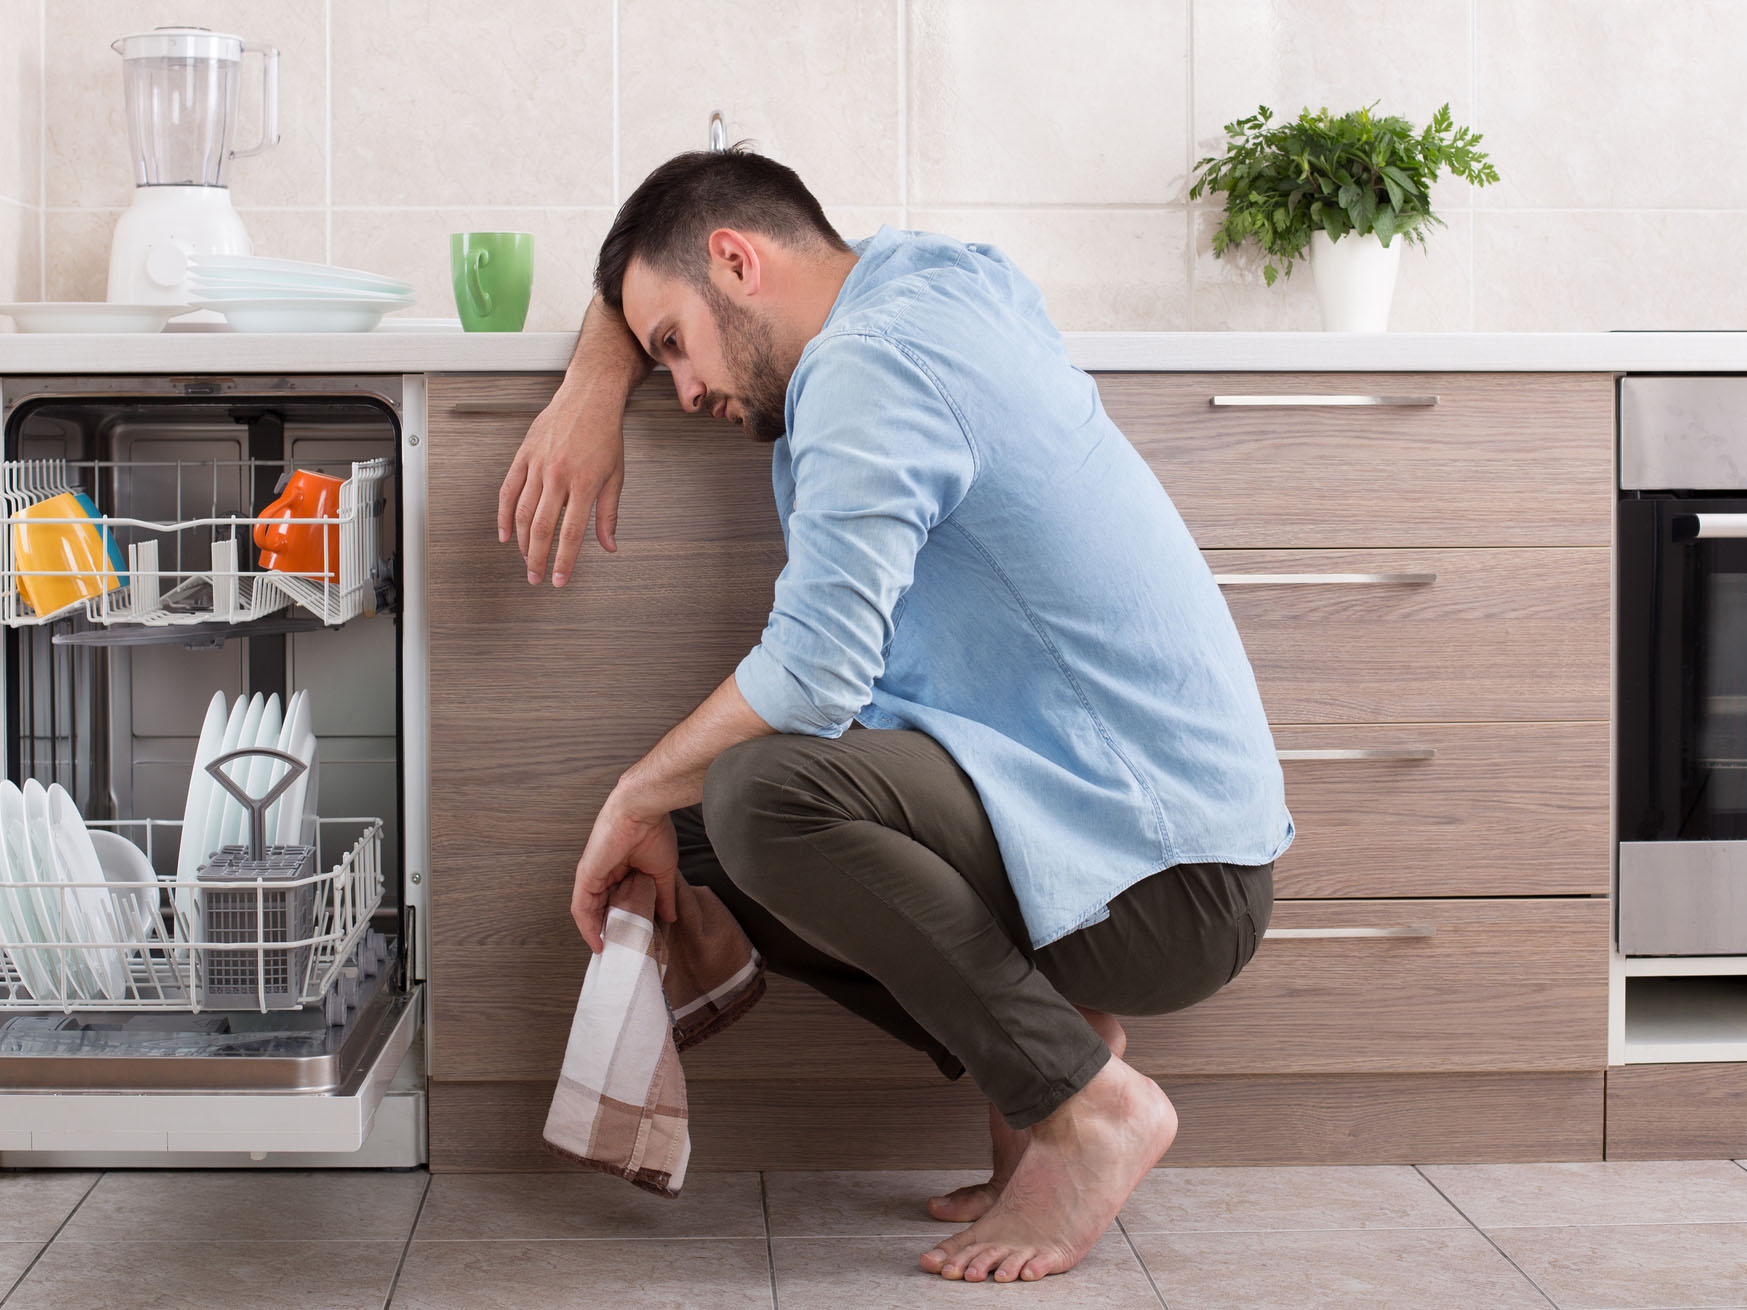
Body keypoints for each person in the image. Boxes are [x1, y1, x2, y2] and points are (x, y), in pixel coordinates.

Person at [497, 145, 1293, 1284]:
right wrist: (594, 371)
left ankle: (1084, 1105)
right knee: (706, 839)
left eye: (672, 342)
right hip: (1128, 828)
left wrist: (630, 791)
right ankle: (1052, 1066)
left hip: (1162, 876)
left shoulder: (872, 368)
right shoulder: (927, 275)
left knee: (755, 795)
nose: (678, 389)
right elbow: (683, 221)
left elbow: (815, 676)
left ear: (736, 260)